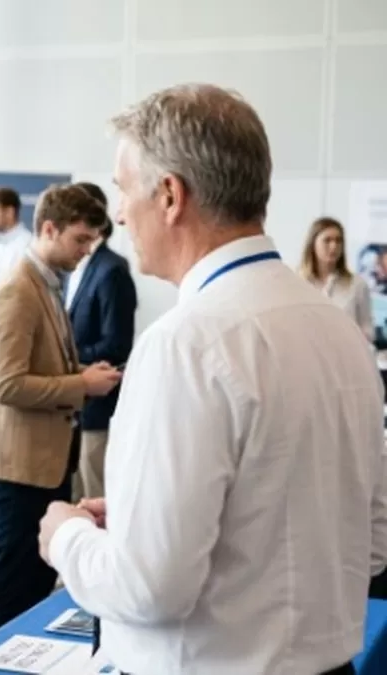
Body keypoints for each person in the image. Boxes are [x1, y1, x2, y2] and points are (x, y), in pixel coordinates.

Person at [39, 84, 387, 675]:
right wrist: (148, 517)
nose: (119, 214)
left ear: (170, 194)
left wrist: (67, 537)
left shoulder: (186, 345)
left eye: (123, 190)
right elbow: (370, 540)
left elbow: (149, 589)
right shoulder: (340, 333)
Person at [0, 183, 120, 640]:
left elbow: (38, 366)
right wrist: (82, 384)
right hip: (18, 465)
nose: (86, 250)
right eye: (79, 239)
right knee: (9, 583)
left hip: (44, 459)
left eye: (92, 241)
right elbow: (7, 385)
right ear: (49, 229)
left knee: (34, 581)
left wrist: (79, 372)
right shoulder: (17, 291)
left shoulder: (47, 284)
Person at [65, 182, 138, 501]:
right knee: (76, 494)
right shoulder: (76, 267)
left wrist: (63, 359)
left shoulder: (112, 269)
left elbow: (117, 344)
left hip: (99, 407)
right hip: (77, 403)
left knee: (94, 495)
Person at [298, 216, 373, 342]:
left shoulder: (357, 284)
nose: (334, 246)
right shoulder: (297, 282)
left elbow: (367, 330)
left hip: (347, 355)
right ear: (313, 244)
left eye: (338, 241)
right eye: (327, 240)